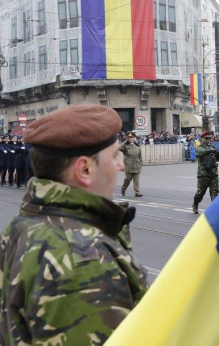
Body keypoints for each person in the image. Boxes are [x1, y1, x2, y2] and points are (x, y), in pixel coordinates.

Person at [0, 104, 148, 345]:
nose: (120, 164)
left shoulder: (24, 224)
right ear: (85, 169)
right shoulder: (85, 259)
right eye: (114, 155)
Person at [192, 131, 219, 214]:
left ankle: (216, 209)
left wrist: (217, 153)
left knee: (215, 193)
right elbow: (200, 152)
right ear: (202, 138)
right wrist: (210, 150)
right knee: (200, 192)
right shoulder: (200, 147)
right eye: (206, 138)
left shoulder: (213, 147)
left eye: (210, 138)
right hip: (203, 174)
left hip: (213, 174)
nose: (208, 140)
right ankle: (195, 203)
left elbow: (218, 158)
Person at [120, 131, 143, 197]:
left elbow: (140, 156)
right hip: (128, 166)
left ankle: (137, 192)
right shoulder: (125, 145)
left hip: (137, 165)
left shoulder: (137, 146)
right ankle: (123, 189)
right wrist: (124, 142)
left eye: (132, 137)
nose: (130, 138)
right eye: (129, 137)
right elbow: (119, 148)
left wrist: (141, 164)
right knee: (128, 179)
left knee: (136, 180)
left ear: (134, 138)